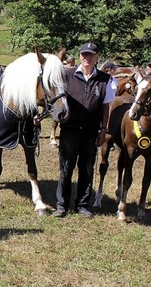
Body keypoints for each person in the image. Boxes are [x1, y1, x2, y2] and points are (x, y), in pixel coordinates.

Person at [55, 42, 116, 218]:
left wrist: (103, 129)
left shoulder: (105, 79)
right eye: (84, 55)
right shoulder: (67, 75)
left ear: (97, 57)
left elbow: (105, 107)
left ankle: (82, 204)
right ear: (80, 56)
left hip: (91, 131)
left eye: (90, 55)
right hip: (70, 130)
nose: (86, 58)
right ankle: (61, 205)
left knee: (87, 168)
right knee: (66, 167)